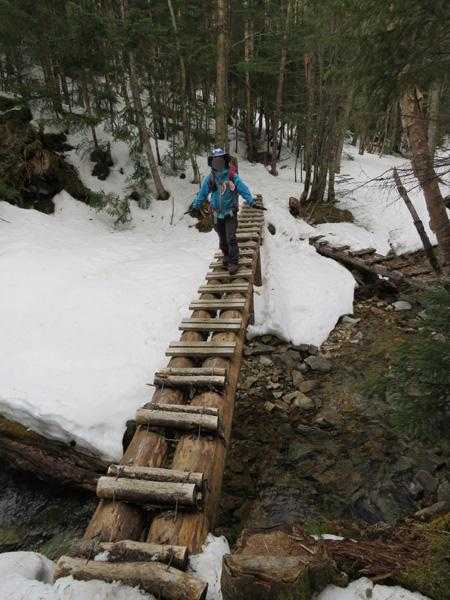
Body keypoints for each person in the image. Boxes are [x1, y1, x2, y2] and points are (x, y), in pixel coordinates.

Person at [189, 148, 255, 275]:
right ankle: (226, 254)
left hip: (230, 213)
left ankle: (233, 261)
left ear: (225, 161)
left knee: (230, 237)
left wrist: (251, 200)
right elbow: (202, 193)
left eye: (220, 160)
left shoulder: (232, 176)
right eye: (215, 161)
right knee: (222, 238)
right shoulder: (211, 178)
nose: (218, 163)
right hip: (216, 214)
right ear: (212, 163)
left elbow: (242, 188)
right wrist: (196, 205)